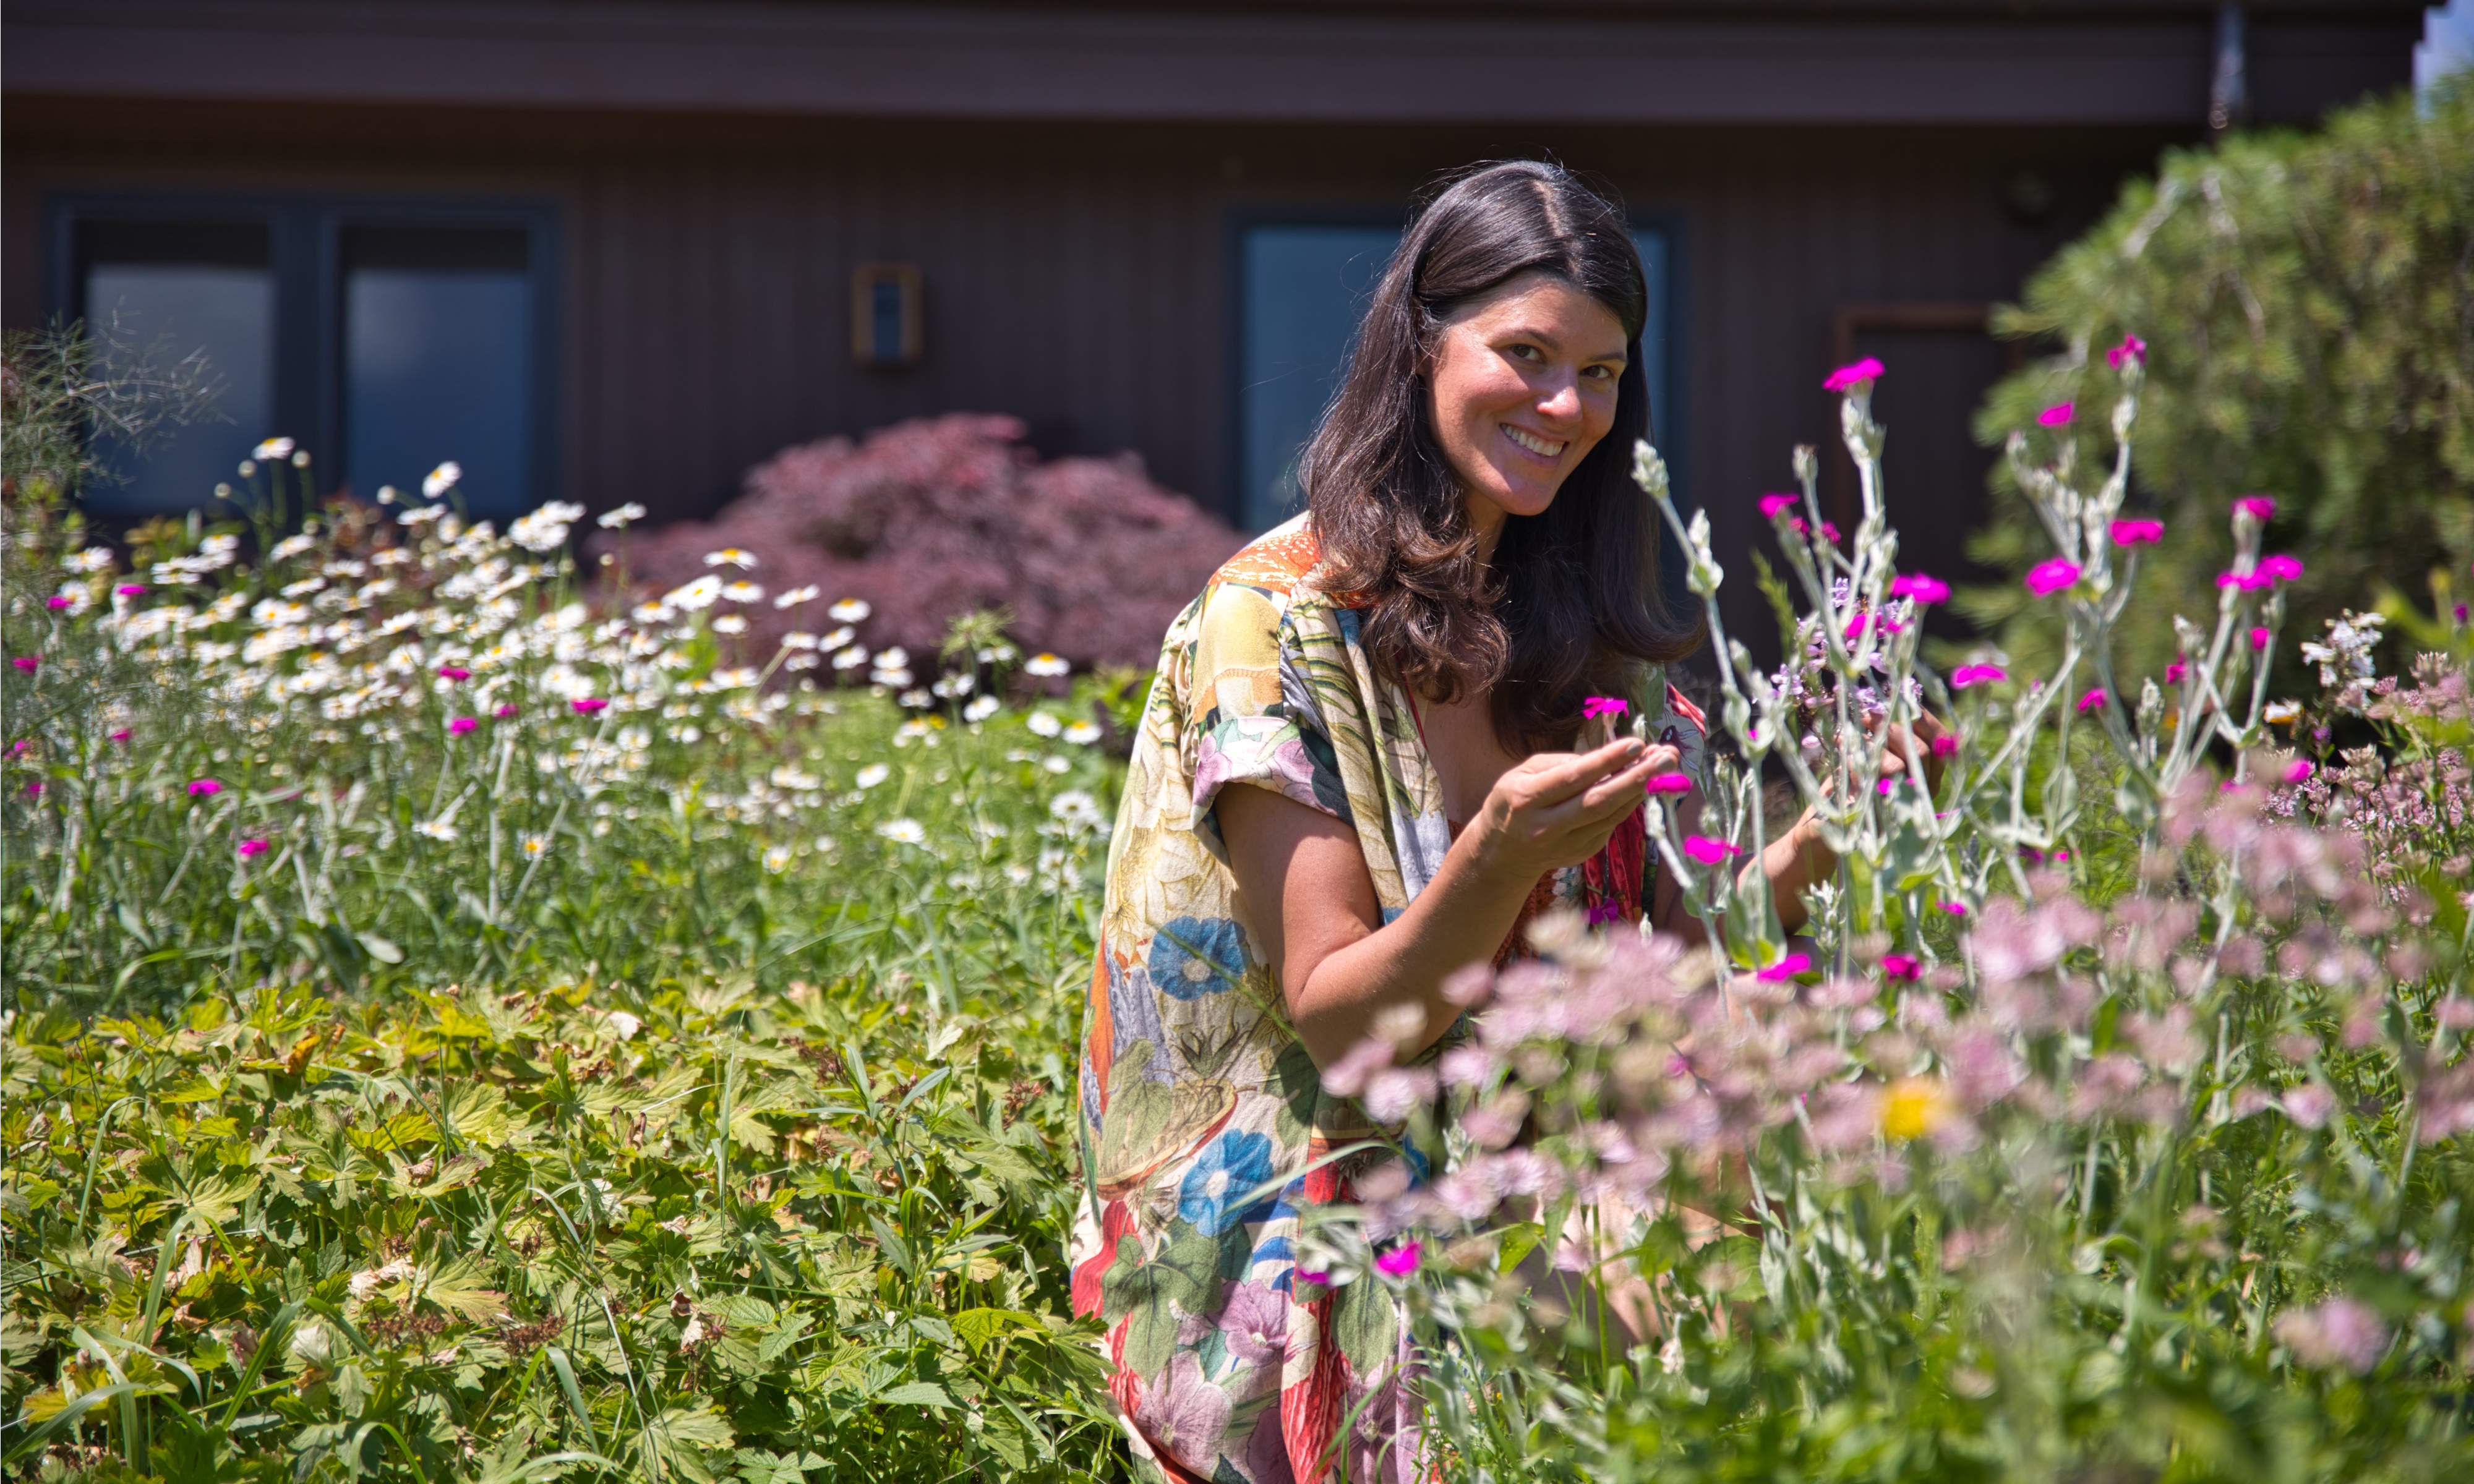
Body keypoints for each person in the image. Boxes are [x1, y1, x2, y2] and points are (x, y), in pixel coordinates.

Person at [1069, 161, 1846, 1484]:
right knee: (1707, 1315)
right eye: (1525, 354)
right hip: (1297, 1228)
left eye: (1600, 374)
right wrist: (1491, 861)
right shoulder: (1271, 625)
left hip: (1527, 1186)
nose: (1565, 407)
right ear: (1420, 343)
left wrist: (1812, 855)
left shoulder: (1592, 652)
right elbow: (1341, 1018)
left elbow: (1663, 974)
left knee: (1854, 1231)